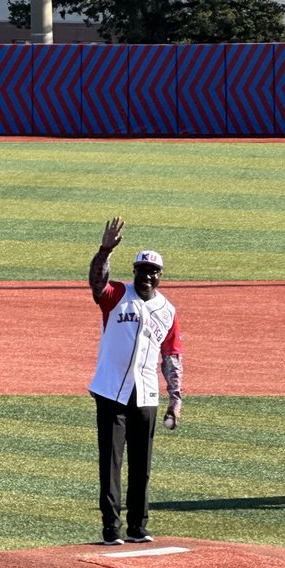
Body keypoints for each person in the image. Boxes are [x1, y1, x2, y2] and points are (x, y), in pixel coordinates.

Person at [88, 216, 183, 545]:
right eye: (142, 270)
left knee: (141, 464)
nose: (147, 276)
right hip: (111, 390)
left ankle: (138, 527)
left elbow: (171, 356)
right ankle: (110, 528)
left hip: (145, 394)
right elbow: (96, 283)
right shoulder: (116, 295)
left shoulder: (167, 311)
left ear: (160, 276)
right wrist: (104, 251)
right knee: (110, 463)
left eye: (153, 271)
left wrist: (176, 399)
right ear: (135, 272)